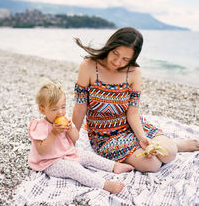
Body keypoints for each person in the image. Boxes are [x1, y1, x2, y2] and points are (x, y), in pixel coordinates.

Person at [72, 27, 199, 173]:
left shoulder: (134, 72)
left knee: (170, 153)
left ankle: (176, 145)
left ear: (133, 58)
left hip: (131, 126)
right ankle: (170, 144)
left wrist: (142, 138)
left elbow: (132, 113)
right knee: (152, 165)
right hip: (105, 136)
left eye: (125, 59)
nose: (118, 61)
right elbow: (80, 107)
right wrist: (71, 142)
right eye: (115, 53)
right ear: (110, 46)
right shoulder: (89, 66)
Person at [28, 81, 134, 194]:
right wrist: (54, 133)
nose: (60, 112)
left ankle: (114, 166)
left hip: (67, 153)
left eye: (63, 107)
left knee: (88, 156)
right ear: (42, 110)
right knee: (74, 169)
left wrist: (70, 129)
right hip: (49, 162)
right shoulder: (40, 126)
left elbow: (75, 137)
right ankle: (104, 184)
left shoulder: (65, 120)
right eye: (54, 109)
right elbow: (42, 151)